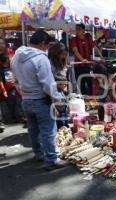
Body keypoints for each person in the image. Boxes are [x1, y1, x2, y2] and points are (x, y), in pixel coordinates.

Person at [11, 30, 64, 171]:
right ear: (42, 44)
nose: (47, 49)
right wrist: (58, 101)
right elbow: (48, 85)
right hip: (41, 100)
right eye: (47, 46)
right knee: (48, 131)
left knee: (33, 130)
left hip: (26, 100)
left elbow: (15, 80)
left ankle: (39, 154)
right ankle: (51, 160)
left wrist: (23, 93)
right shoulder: (41, 59)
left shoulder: (16, 57)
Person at [70, 23, 101, 95]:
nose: (77, 31)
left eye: (79, 29)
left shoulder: (88, 39)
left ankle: (91, 100)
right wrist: (82, 60)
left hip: (88, 66)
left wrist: (101, 56)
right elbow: (75, 51)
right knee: (81, 85)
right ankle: (83, 100)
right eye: (76, 29)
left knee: (90, 84)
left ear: (83, 30)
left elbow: (95, 48)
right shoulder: (73, 39)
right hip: (78, 67)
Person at [0, 53, 22, 124]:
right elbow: (1, 81)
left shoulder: (11, 67)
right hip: (8, 89)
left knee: (17, 102)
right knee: (11, 104)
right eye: (9, 58)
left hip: (15, 87)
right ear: (6, 60)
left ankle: (18, 117)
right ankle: (12, 118)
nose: (10, 59)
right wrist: (4, 90)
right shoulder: (1, 69)